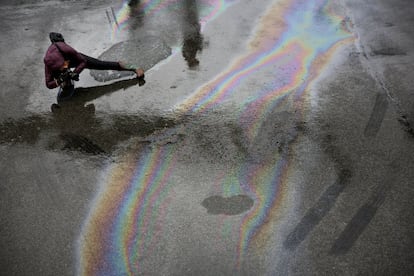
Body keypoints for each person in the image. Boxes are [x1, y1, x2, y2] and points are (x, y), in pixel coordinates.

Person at [44, 32, 145, 91]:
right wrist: (60, 80)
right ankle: (66, 81)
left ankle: (134, 67)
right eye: (61, 68)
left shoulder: (66, 49)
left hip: (74, 59)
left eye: (63, 66)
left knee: (101, 64)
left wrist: (75, 73)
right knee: (63, 78)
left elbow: (83, 61)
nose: (63, 68)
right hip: (61, 66)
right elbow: (48, 84)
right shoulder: (48, 63)